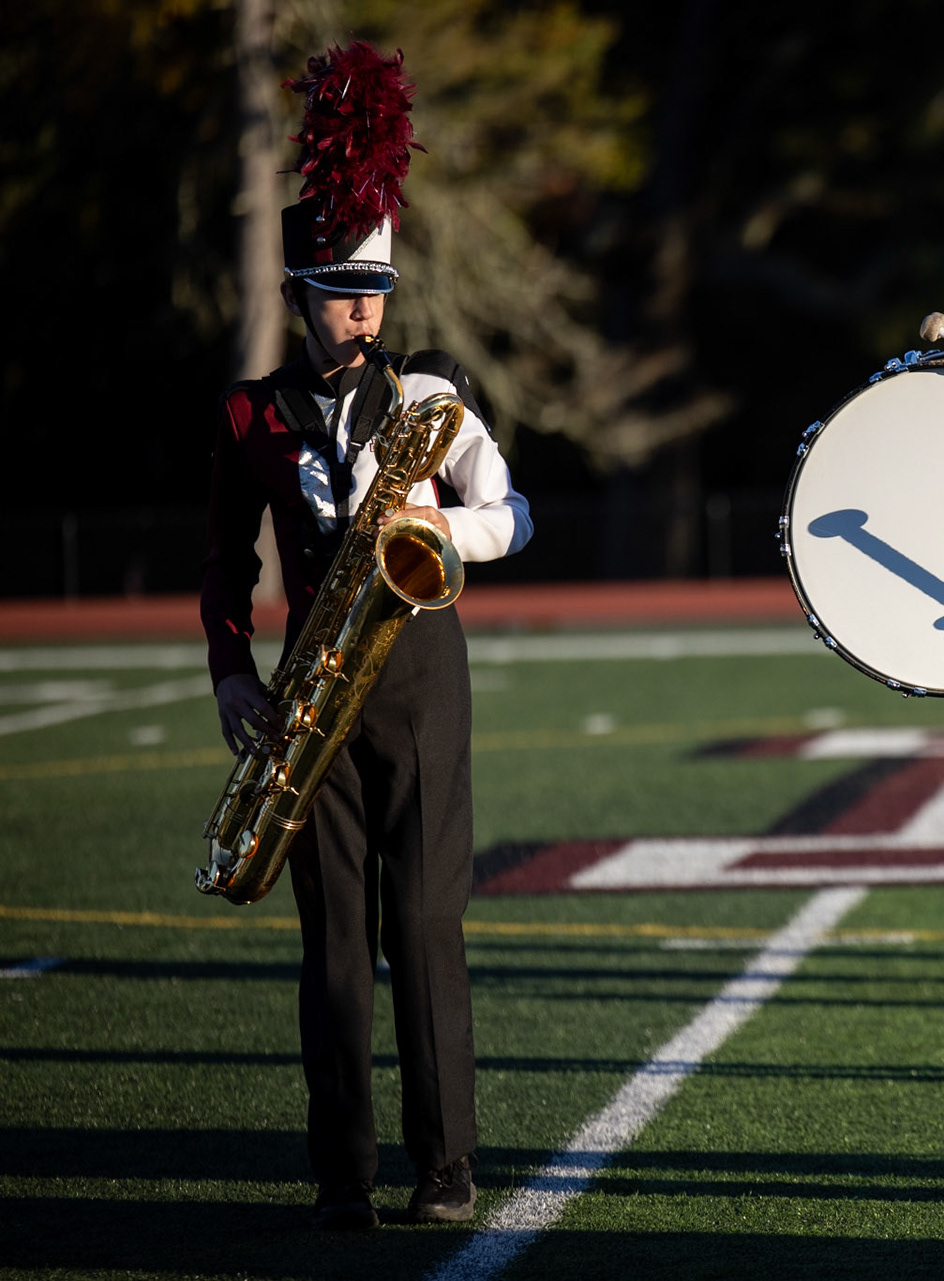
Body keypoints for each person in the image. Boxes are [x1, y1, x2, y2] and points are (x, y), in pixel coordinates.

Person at [201, 42, 532, 1228]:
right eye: (341, 291)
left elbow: (516, 514)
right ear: (300, 293)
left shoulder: (430, 394)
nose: (362, 310)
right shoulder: (252, 413)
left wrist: (438, 527)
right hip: (314, 684)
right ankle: (342, 1172)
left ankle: (447, 1167)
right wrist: (231, 673)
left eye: (375, 289)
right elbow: (224, 565)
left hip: (422, 675)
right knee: (335, 942)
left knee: (428, 926)